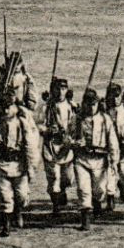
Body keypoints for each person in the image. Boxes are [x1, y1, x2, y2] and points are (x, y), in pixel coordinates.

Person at [0, 84, 44, 236]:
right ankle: (6, 225)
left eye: (9, 105)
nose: (6, 109)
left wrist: (31, 167)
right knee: (4, 196)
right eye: (4, 105)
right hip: (1, 161)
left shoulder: (23, 119)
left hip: (19, 162)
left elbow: (31, 143)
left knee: (21, 195)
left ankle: (18, 210)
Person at [67, 88, 120, 230]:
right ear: (83, 104)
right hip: (82, 159)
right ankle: (85, 220)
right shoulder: (76, 119)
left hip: (100, 160)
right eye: (88, 104)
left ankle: (97, 203)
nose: (91, 107)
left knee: (99, 190)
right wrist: (74, 143)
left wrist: (114, 160)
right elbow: (67, 137)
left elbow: (113, 141)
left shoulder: (105, 119)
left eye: (94, 104)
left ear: (97, 104)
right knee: (84, 189)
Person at [39, 77, 76, 214]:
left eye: (63, 88)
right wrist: (48, 130)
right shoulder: (46, 107)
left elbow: (76, 125)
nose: (60, 91)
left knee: (68, 177)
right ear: (52, 90)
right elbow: (38, 124)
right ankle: (56, 206)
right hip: (51, 145)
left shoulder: (72, 106)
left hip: (66, 146)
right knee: (54, 177)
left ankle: (62, 190)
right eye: (57, 88)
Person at [102, 81, 124, 210]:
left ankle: (123, 185)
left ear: (121, 96)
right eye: (112, 96)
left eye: (117, 96)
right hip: (110, 146)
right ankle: (111, 198)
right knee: (110, 171)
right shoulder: (104, 111)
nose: (115, 99)